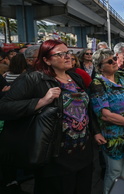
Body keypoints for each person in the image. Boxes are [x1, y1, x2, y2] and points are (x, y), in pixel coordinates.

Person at [0, 40, 94, 194]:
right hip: (55, 158)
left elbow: (85, 110)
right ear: (46, 60)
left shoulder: (75, 78)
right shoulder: (34, 79)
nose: (67, 56)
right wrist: (41, 101)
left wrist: (95, 132)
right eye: (60, 54)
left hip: (83, 154)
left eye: (68, 52)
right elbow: (3, 108)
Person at [89, 48, 124, 194]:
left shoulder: (123, 75)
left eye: (114, 59)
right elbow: (105, 114)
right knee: (114, 171)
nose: (114, 62)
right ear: (99, 67)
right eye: (109, 61)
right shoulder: (98, 84)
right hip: (113, 135)